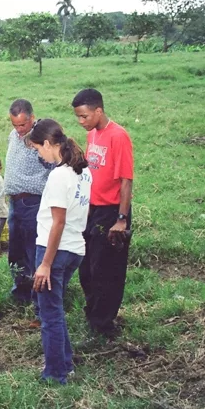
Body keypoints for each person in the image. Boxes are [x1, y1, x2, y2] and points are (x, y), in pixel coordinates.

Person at [29, 118, 92, 384]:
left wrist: (45, 263)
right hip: (75, 249)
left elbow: (58, 221)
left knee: (49, 314)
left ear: (47, 143)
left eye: (37, 149)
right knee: (55, 309)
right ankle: (64, 362)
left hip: (54, 250)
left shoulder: (59, 174)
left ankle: (56, 374)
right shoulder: (83, 170)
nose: (39, 154)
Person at [72, 88, 134, 337]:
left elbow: (126, 180)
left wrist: (121, 219)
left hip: (112, 213)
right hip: (93, 209)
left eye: (84, 116)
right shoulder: (92, 135)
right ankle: (94, 312)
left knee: (107, 269)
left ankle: (104, 323)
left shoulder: (118, 136)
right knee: (86, 266)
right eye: (78, 116)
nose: (81, 121)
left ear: (98, 110)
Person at [4, 99, 53, 327]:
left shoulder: (41, 137)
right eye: (15, 125)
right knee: (16, 251)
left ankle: (40, 306)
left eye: (22, 125)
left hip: (34, 202)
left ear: (32, 118)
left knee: (36, 253)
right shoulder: (14, 136)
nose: (19, 129)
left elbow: (53, 165)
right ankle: (21, 292)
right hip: (14, 203)